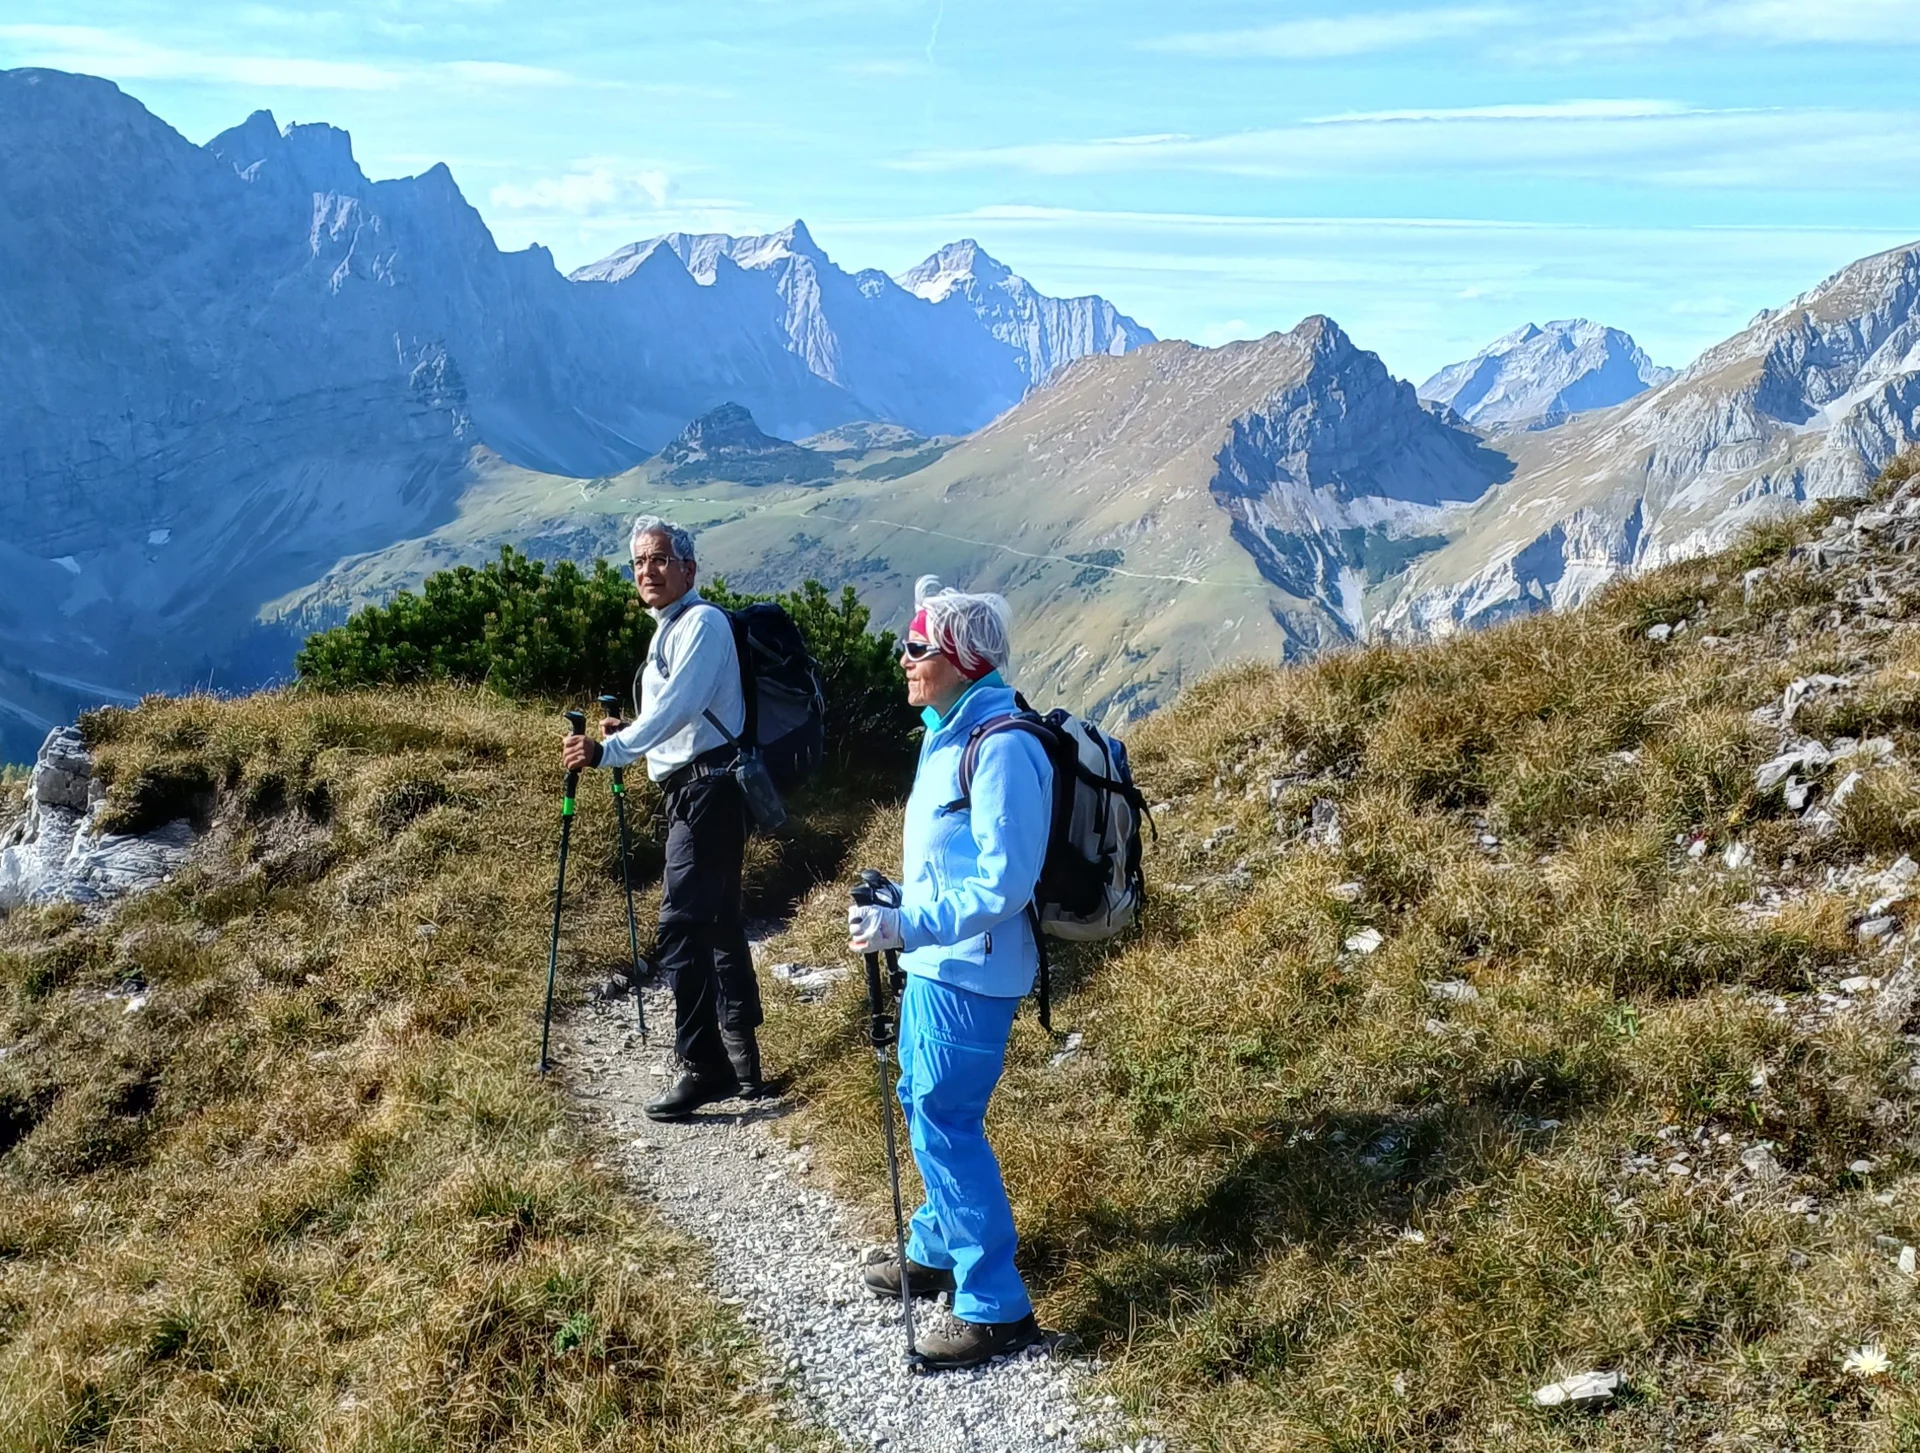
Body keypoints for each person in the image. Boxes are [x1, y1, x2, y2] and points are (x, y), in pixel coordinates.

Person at [846, 575, 1052, 1372]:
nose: (903, 657)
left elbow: (1005, 883)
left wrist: (907, 923)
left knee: (945, 1118)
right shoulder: (949, 728)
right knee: (920, 1099)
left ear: (962, 658)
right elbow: (958, 864)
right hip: (941, 963)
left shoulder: (999, 745)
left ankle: (994, 1303)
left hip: (971, 971)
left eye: (917, 646)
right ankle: (936, 1243)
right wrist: (902, 905)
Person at [563, 515, 764, 1121]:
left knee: (680, 926)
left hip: (707, 795)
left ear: (688, 569)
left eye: (658, 560)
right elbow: (684, 719)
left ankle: (705, 1068)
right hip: (706, 788)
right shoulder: (674, 628)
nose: (647, 571)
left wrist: (610, 751)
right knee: (721, 924)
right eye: (639, 563)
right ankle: (743, 1064)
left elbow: (678, 707)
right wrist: (632, 733)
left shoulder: (700, 624)